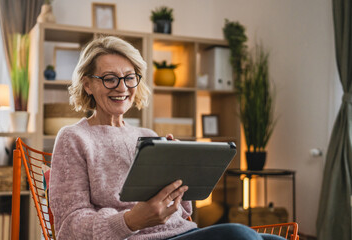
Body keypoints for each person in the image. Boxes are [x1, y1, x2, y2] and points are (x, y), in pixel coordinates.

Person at [49, 36, 285, 240]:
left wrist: (181, 173)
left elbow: (182, 211)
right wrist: (130, 221)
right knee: (241, 235)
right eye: (110, 78)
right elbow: (69, 228)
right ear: (87, 84)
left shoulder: (148, 136)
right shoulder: (74, 138)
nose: (122, 88)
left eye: (129, 77)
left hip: (182, 232)